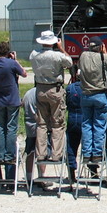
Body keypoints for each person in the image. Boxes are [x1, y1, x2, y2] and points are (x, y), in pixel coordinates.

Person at [29, 30, 73, 162]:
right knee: (57, 122)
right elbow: (70, 62)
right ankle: (56, 154)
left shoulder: (34, 54)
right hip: (55, 89)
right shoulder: (57, 56)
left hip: (40, 88)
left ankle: (41, 153)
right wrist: (61, 48)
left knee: (41, 123)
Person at [78, 36, 107, 166]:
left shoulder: (82, 55)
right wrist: (104, 52)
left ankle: (86, 154)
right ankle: (97, 154)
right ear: (100, 46)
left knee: (87, 124)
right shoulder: (102, 56)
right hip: (100, 94)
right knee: (99, 124)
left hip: (86, 94)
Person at [0, 41, 27, 164]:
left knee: (0, 127)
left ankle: (0, 155)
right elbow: (24, 73)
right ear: (8, 52)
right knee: (11, 128)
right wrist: (16, 60)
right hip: (12, 100)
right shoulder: (12, 63)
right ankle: (10, 155)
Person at [65, 66, 83, 184]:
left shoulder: (69, 88)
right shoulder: (88, 88)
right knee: (88, 144)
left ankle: (71, 171)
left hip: (72, 118)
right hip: (84, 118)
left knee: (71, 146)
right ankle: (92, 171)